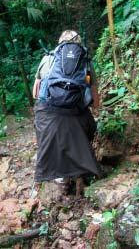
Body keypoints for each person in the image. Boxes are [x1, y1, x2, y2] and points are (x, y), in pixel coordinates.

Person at [32, 30, 100, 197]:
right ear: (79, 44)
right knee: (84, 130)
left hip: (48, 115)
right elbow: (94, 100)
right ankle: (79, 174)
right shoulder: (85, 63)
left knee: (46, 130)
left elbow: (36, 93)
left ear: (59, 44)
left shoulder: (48, 59)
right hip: (76, 114)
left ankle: (61, 181)